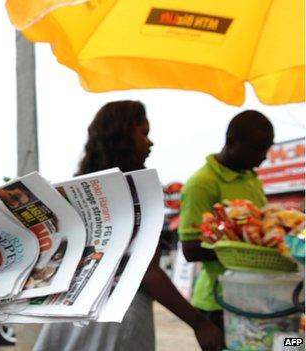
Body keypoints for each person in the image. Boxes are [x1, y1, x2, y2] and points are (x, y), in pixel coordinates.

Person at [33, 101, 223, 351]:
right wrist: (200, 323)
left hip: (67, 319)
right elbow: (148, 272)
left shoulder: (78, 190)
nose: (150, 142)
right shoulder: (139, 194)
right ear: (121, 137)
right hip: (118, 323)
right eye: (144, 133)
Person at [178, 110, 274, 331]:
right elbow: (190, 250)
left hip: (259, 298)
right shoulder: (201, 184)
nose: (264, 156)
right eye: (258, 148)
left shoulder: (251, 177)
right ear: (231, 142)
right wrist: (250, 249)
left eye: (267, 148)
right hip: (219, 303)